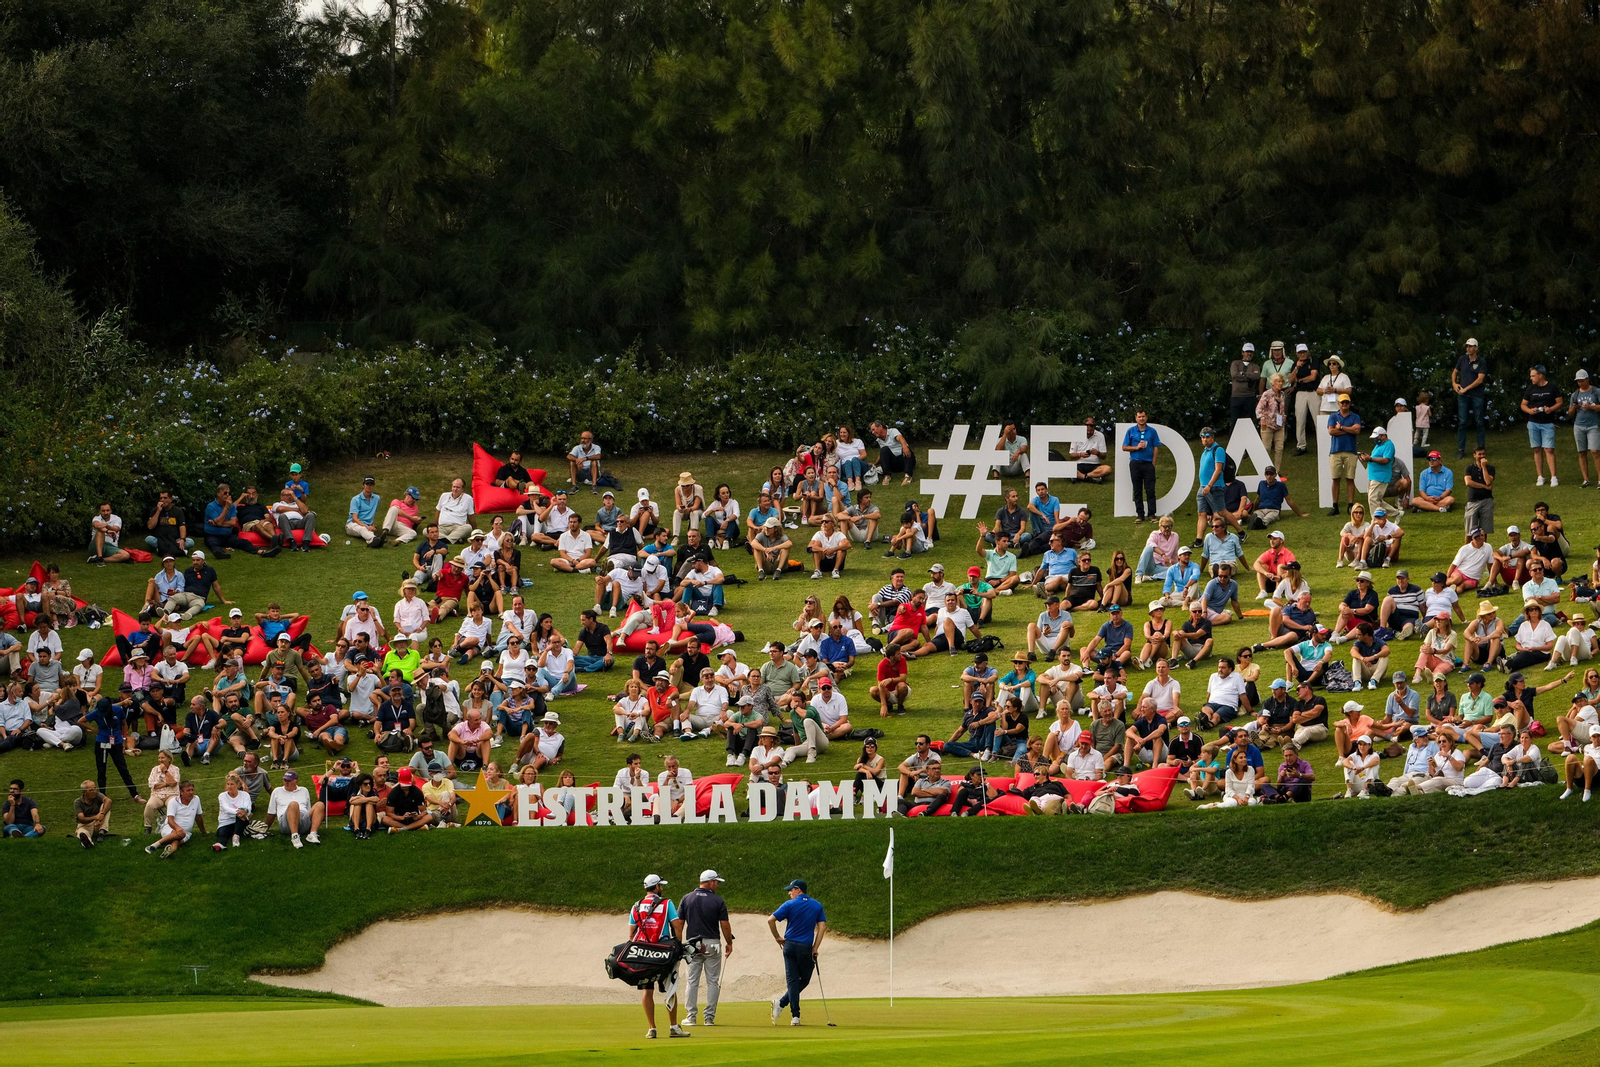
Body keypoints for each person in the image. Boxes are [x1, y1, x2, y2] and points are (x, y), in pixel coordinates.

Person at [768, 879, 827, 1027]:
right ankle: (794, 1015)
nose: (789, 893)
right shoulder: (817, 905)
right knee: (804, 979)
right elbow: (822, 927)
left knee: (794, 981)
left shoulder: (789, 905)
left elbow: (771, 920)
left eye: (791, 890)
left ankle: (784, 1007)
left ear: (798, 890)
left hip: (789, 946)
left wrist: (777, 937)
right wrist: (815, 947)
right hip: (805, 947)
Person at [1521, 364, 1564, 485]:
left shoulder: (1552, 387)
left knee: (1549, 449)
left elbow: (1560, 402)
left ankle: (1553, 477)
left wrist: (1551, 409)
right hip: (1533, 422)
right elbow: (1523, 404)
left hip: (1547, 423)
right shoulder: (1530, 389)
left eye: (1533, 376)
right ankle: (1540, 476)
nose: (1531, 378)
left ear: (1540, 375)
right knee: (1537, 449)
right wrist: (1529, 411)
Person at [263, 768, 324, 848]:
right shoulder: (277, 791)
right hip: (286, 823)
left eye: (288, 781)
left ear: (295, 781)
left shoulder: (304, 790)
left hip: (303, 820)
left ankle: (312, 834)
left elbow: (309, 810)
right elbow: (271, 812)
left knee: (320, 804)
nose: (286, 782)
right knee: (294, 804)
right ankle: (295, 837)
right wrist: (264, 828)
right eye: (285, 780)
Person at [142, 779, 203, 857]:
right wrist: (178, 829)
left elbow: (198, 817)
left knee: (176, 841)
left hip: (186, 832)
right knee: (178, 835)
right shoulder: (173, 802)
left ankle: (168, 852)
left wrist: (203, 831)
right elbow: (170, 820)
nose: (191, 792)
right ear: (181, 792)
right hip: (170, 828)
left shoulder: (196, 799)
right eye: (188, 790)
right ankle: (154, 845)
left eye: (192, 790)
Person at [1121, 411, 1161, 522]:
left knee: (1150, 490)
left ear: (1146, 417)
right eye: (1139, 417)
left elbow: (1156, 447)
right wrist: (1136, 447)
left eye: (1143, 416)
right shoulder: (1131, 431)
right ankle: (1140, 515)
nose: (1141, 419)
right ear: (1136, 418)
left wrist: (1153, 463)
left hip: (1148, 464)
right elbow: (1124, 447)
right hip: (1135, 463)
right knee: (1137, 490)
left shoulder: (1152, 431)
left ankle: (1152, 514)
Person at [1326, 393, 1361, 515]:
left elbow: (1357, 430)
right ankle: (1335, 506)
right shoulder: (1333, 416)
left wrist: (1340, 427)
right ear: (1339, 403)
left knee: (1350, 478)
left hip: (1350, 451)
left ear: (1349, 403)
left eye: (1347, 402)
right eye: (1342, 402)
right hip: (1335, 451)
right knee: (1336, 479)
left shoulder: (1355, 416)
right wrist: (1347, 429)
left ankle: (1350, 505)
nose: (1344, 404)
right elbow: (1331, 431)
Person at [1192, 427, 1228, 545]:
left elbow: (1218, 470)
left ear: (1212, 437)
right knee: (1201, 513)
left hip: (1215, 486)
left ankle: (1241, 532)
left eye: (1207, 437)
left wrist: (1209, 485)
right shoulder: (1205, 451)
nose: (1205, 439)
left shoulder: (1218, 450)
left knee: (1221, 512)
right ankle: (1199, 540)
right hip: (1203, 486)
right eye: (1203, 437)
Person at [1358, 426, 1397, 516]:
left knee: (1373, 499)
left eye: (1377, 437)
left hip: (1381, 476)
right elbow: (1375, 458)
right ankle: (1396, 513)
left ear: (1383, 435)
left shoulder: (1389, 445)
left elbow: (1386, 460)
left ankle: (1375, 521)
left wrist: (1370, 458)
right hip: (1373, 476)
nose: (1375, 440)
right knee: (1375, 499)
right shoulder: (1378, 445)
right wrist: (1367, 458)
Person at [1256, 372, 1288, 470]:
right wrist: (1262, 418)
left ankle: (1277, 471)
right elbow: (1259, 408)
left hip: (1279, 425)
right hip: (1268, 424)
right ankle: (1265, 470)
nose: (1280, 383)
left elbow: (1281, 408)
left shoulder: (1282, 395)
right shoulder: (1267, 394)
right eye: (1278, 381)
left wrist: (1283, 416)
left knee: (1279, 449)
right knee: (1266, 448)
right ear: (1273, 383)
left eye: (1281, 381)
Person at [1464, 448, 1495, 539]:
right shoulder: (1469, 468)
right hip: (1473, 501)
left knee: (1484, 530)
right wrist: (1484, 487)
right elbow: (1468, 482)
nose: (1482, 456)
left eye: (1483, 454)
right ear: (1474, 455)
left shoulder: (1490, 468)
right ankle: (1467, 551)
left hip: (1487, 500)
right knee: (1470, 530)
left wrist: (1484, 467)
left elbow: (1488, 481)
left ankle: (1484, 551)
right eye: (1479, 454)